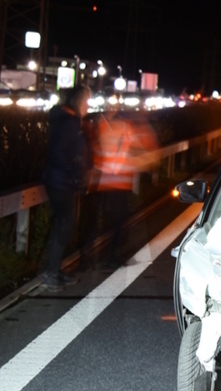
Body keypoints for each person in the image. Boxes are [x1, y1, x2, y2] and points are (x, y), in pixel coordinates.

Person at [93, 103, 157, 268]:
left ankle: (102, 257)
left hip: (108, 180)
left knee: (112, 221)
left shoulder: (106, 125)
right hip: (116, 180)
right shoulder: (122, 127)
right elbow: (143, 148)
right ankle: (111, 257)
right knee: (118, 221)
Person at [42, 85, 92, 290]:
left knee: (66, 225)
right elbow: (62, 153)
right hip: (62, 183)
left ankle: (54, 270)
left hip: (62, 181)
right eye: (86, 102)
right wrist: (74, 176)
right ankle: (50, 272)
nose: (88, 107)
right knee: (65, 225)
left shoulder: (69, 120)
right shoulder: (69, 123)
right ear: (78, 102)